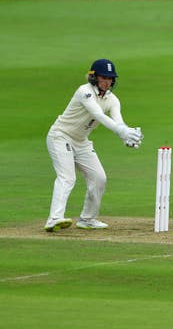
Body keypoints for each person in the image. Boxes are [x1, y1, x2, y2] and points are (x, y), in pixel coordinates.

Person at [44, 59, 144, 232]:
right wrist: (121, 131)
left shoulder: (113, 100)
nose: (107, 81)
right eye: (103, 77)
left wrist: (127, 136)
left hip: (81, 141)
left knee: (99, 178)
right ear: (93, 77)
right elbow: (98, 115)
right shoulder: (84, 91)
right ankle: (54, 218)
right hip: (61, 136)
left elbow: (118, 121)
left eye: (110, 78)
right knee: (67, 177)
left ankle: (87, 219)